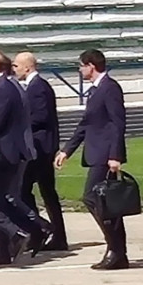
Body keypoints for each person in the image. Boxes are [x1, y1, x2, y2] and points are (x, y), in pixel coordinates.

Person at [54, 49, 129, 270]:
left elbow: (118, 123)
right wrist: (67, 150)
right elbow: (85, 124)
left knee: (97, 200)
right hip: (96, 153)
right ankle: (116, 250)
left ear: (91, 66)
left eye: (81, 66)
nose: (80, 70)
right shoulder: (95, 91)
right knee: (102, 203)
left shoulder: (110, 88)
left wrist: (115, 155)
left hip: (105, 155)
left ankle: (116, 249)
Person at [0, 49, 48, 264]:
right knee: (4, 200)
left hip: (6, 153)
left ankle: (34, 230)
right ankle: (10, 244)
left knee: (0, 200)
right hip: (7, 152)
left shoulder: (4, 89)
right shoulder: (5, 86)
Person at [14, 51, 68, 251]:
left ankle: (39, 229)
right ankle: (53, 234)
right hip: (42, 146)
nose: (15, 70)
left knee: (23, 190)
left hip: (40, 148)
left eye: (17, 66)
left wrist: (18, 123)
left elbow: (41, 117)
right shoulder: (36, 86)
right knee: (45, 192)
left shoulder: (37, 88)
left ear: (27, 67)